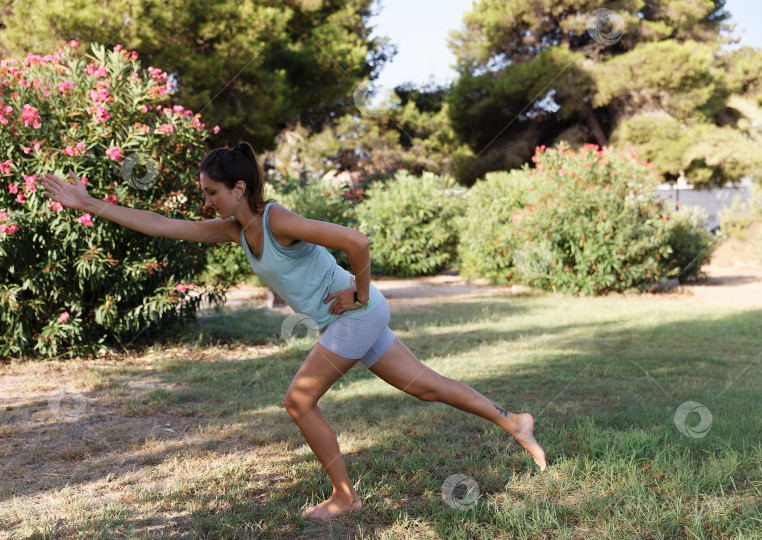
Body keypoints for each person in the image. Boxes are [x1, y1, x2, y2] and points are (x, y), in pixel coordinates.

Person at [38, 142, 546, 520]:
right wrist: (90, 204)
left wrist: (362, 294)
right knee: (427, 387)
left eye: (212, 192)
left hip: (356, 314)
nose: (207, 201)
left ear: (239, 189)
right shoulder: (237, 230)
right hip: (347, 319)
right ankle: (514, 421)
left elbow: (357, 241)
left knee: (298, 402)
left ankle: (345, 497)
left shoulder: (278, 221)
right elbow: (161, 223)